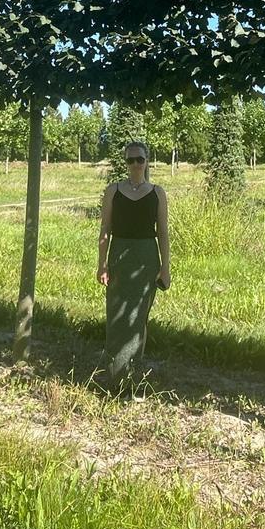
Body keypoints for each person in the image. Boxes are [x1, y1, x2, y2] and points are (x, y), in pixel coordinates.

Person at [96, 140, 170, 396]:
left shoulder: (157, 192)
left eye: (140, 159)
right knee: (117, 317)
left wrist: (165, 267)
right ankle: (113, 378)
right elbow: (105, 229)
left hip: (147, 258)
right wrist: (102, 263)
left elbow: (162, 232)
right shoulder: (113, 191)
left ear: (147, 161)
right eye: (131, 160)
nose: (136, 164)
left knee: (138, 319)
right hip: (119, 256)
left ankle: (132, 376)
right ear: (125, 163)